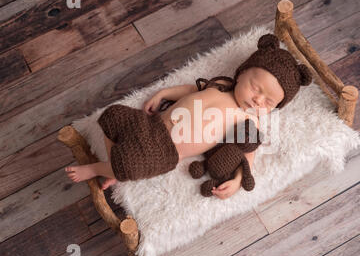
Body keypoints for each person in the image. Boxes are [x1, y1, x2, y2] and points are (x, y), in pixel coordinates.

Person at [65, 33, 312, 200]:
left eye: (268, 102)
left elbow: (247, 154)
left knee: (130, 164)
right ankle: (113, 168)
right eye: (256, 88)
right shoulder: (222, 84)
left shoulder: (248, 122)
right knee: (113, 115)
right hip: (152, 124)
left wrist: (238, 180)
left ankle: (102, 168)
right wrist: (164, 93)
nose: (258, 100)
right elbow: (191, 90)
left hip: (166, 150)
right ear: (242, 72)